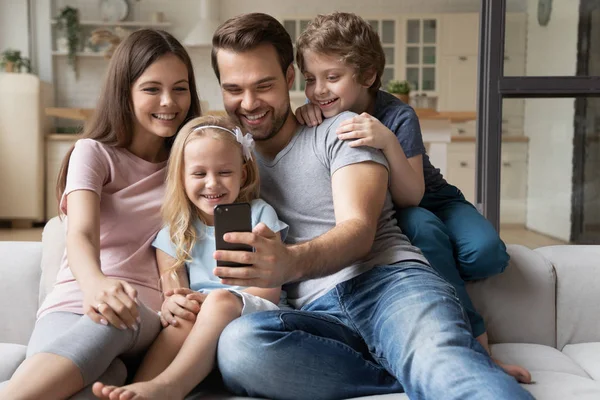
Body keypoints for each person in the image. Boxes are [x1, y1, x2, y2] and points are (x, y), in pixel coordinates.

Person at [209, 12, 533, 400]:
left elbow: (359, 232)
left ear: (290, 78)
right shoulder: (227, 163)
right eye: (233, 89)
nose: (249, 103)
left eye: (263, 85)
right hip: (314, 316)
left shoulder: (341, 129)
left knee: (447, 368)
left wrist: (289, 261)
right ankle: (400, 367)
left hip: (387, 286)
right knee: (239, 346)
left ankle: (426, 361)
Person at [0, 29, 201, 399]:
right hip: (72, 303)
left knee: (115, 317)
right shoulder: (93, 152)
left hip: (142, 318)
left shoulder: (191, 165)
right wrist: (96, 286)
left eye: (180, 87)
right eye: (152, 88)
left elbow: (182, 240)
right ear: (125, 92)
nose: (169, 101)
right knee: (98, 381)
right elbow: (81, 234)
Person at [92, 115, 288, 399]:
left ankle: (170, 387)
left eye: (224, 173)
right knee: (183, 318)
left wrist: (211, 304)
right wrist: (174, 303)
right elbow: (173, 292)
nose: (212, 184)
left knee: (219, 301)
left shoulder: (259, 215)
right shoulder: (175, 231)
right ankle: (138, 388)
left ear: (242, 174)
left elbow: (269, 291)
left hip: (252, 311)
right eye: (199, 174)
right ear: (181, 177)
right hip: (200, 319)